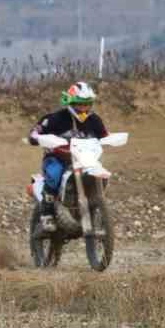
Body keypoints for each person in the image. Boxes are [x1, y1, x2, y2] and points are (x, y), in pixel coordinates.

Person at [28, 81, 108, 232]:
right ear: (71, 102)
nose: (84, 108)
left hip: (85, 160)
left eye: (87, 104)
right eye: (80, 104)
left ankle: (96, 208)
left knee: (100, 172)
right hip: (57, 159)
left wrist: (111, 140)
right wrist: (38, 138)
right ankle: (47, 214)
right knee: (55, 174)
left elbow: (104, 136)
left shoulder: (94, 120)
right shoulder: (55, 118)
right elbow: (34, 133)